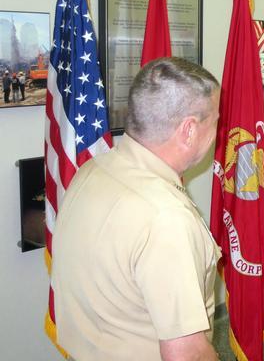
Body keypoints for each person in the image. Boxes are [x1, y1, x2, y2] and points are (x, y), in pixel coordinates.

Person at [52, 57, 221, 361]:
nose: (217, 132)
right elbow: (186, 355)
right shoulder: (166, 218)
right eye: (215, 121)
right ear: (189, 130)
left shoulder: (92, 170)